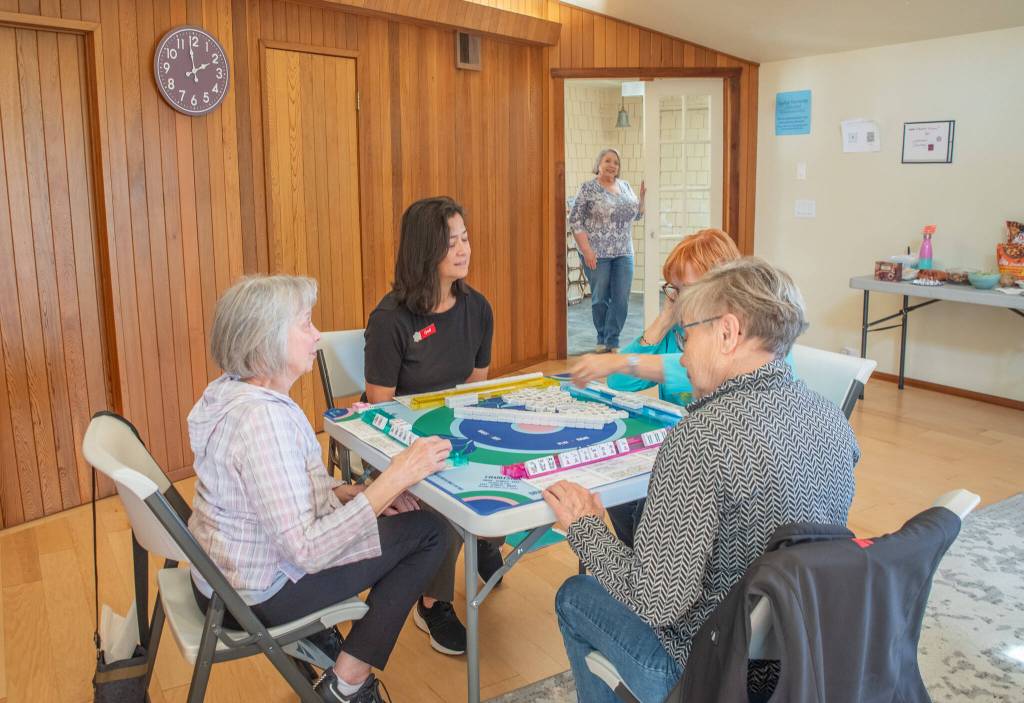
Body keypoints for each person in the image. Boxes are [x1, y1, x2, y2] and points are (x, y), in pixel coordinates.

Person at [543, 258, 860, 703]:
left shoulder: (701, 437)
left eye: (687, 337)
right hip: (796, 655)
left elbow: (655, 601)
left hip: (708, 669)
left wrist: (586, 531)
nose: (684, 355)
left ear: (727, 333)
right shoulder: (832, 419)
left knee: (575, 594)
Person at [188, 275, 452, 703]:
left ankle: (330, 651)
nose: (317, 335)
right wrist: (394, 479)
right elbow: (306, 551)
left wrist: (352, 494)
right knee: (429, 532)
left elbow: (278, 493)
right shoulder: (264, 423)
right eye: (306, 324)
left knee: (400, 517)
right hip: (257, 598)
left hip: (220, 582)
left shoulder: (229, 394)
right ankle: (345, 684)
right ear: (266, 341)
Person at [363, 195, 503, 657]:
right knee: (440, 494)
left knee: (507, 465)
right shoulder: (390, 319)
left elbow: (476, 391)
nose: (463, 250)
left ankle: (484, 536)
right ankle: (432, 601)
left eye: (465, 238)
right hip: (403, 439)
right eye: (450, 243)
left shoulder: (478, 309)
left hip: (456, 429)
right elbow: (380, 410)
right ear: (425, 251)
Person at [570, 228, 742, 548]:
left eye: (686, 289)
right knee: (618, 487)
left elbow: (691, 368)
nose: (677, 298)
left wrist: (620, 361)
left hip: (716, 466)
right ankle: (639, 562)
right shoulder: (675, 329)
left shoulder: (743, 335)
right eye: (673, 289)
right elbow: (621, 383)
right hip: (674, 452)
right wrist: (664, 319)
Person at [569, 148, 646, 353]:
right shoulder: (588, 188)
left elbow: (635, 217)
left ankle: (613, 340)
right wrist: (587, 251)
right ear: (599, 164)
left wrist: (642, 200)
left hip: (623, 251)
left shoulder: (626, 186)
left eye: (616, 163)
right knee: (600, 297)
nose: (613, 165)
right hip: (597, 252)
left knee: (621, 297)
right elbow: (575, 220)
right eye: (608, 161)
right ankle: (602, 337)